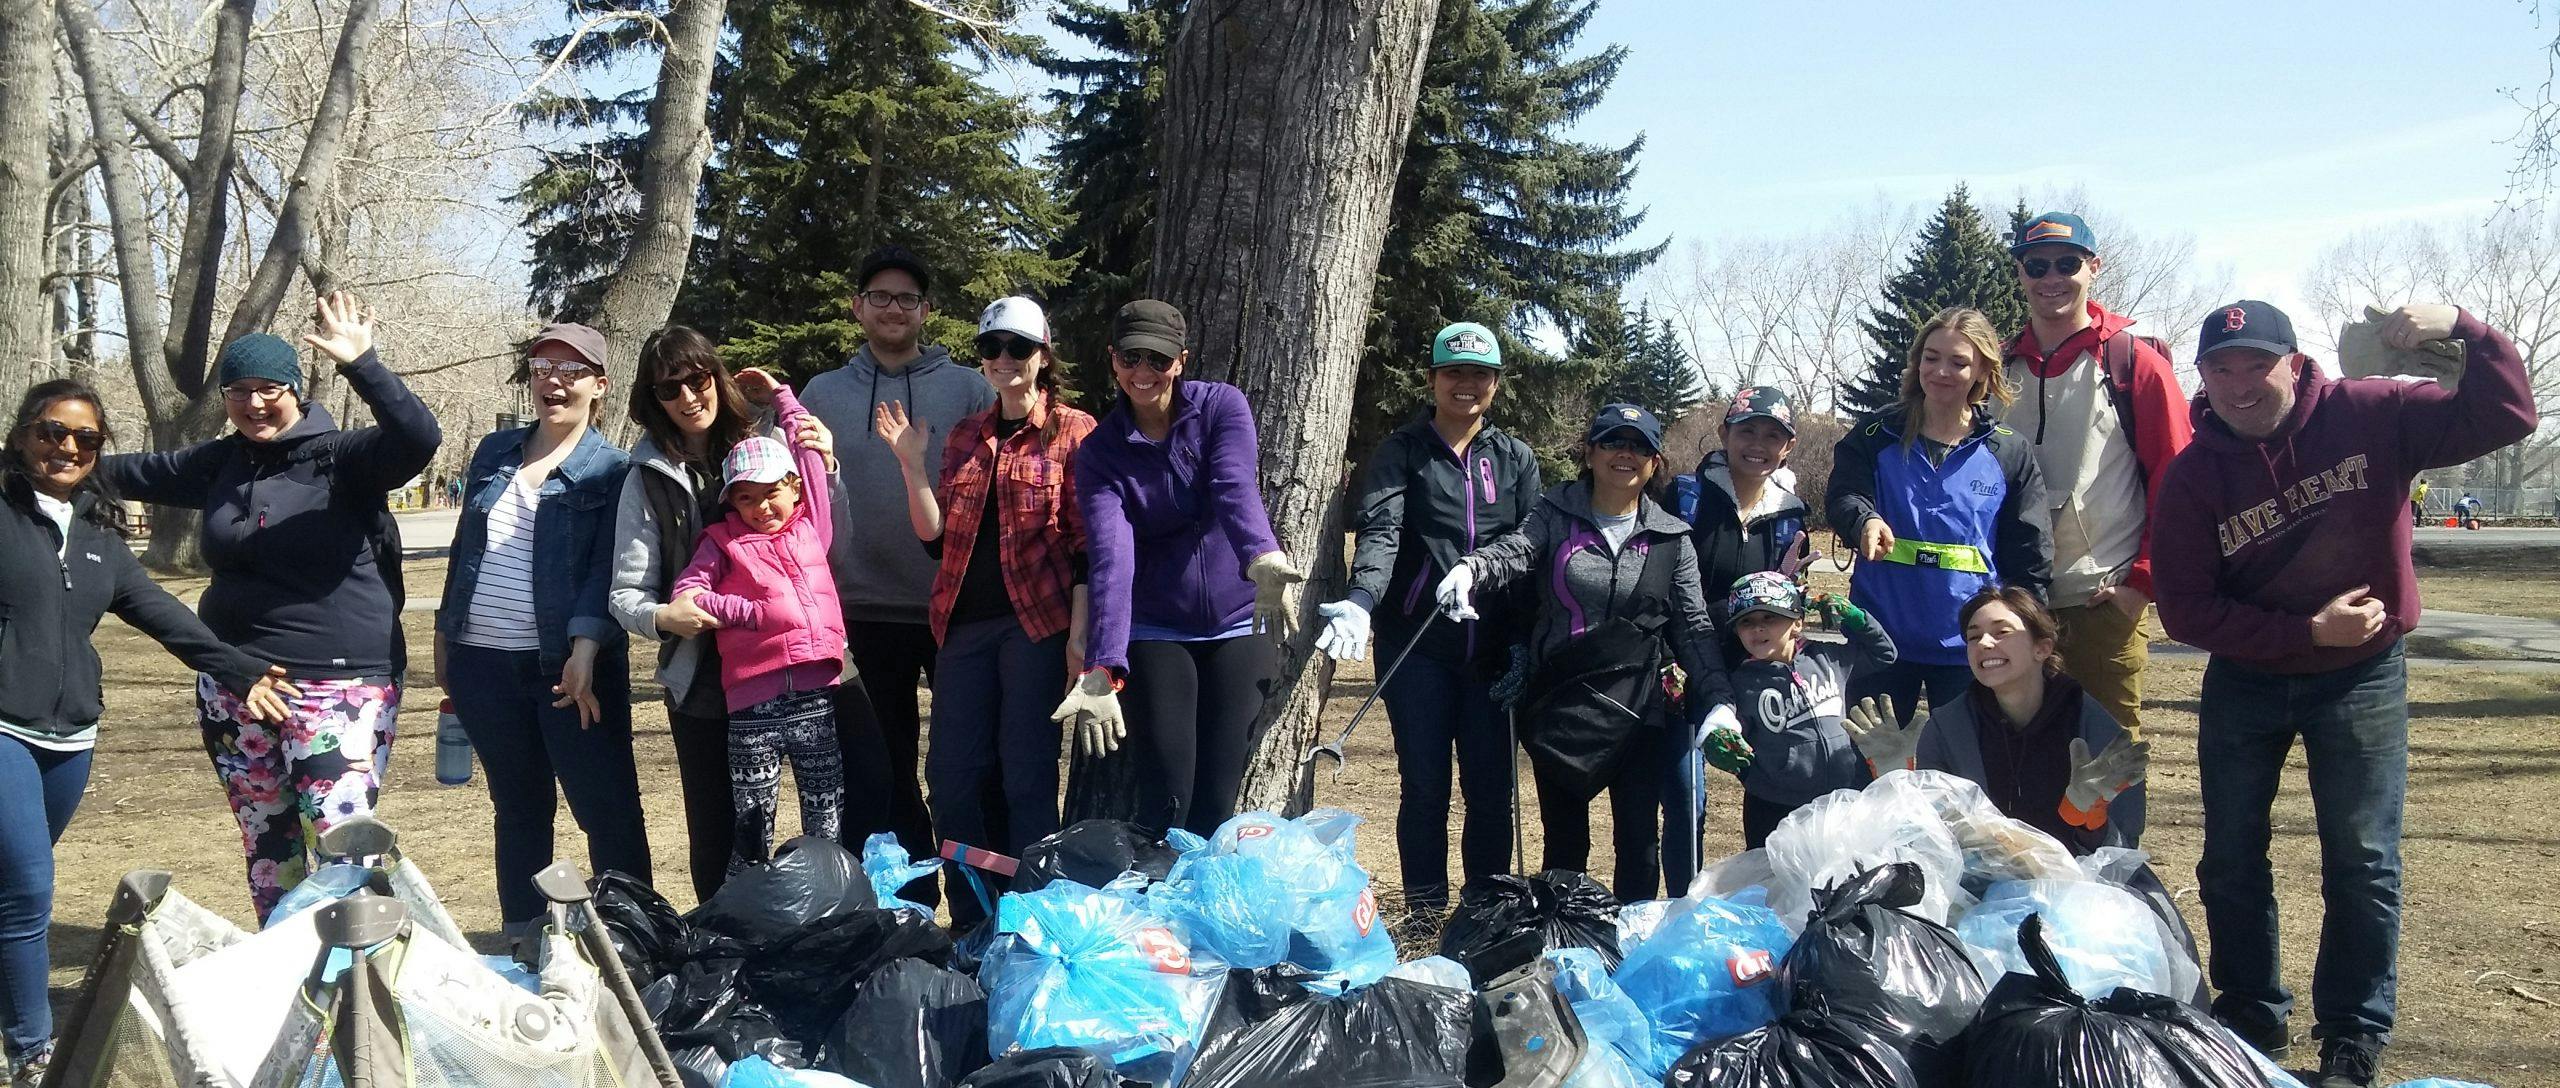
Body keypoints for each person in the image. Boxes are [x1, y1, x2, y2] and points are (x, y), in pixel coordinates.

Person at [2152, 299, 2536, 1086]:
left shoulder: (2373, 412)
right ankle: (2252, 1016)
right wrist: (2304, 635)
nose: (2238, 384)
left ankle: (2352, 1036)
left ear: (2295, 362)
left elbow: (2508, 412)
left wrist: (2461, 326)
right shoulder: (2194, 473)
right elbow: (2186, 608)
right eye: (2220, 369)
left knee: (2362, 861)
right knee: (2229, 857)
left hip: (2361, 676)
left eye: (2256, 363)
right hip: (2249, 679)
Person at [100, 292, 440, 917]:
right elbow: (135, 472)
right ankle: (289, 987)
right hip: (236, 682)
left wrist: (363, 363)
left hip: (339, 685)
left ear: (294, 388)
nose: (254, 403)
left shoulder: (344, 457)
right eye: (238, 390)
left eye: (269, 388)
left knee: (345, 850)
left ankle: (359, 990)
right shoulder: (223, 461)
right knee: (268, 847)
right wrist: (49, 456)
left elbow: (418, 438)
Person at [1, 381, 298, 1087]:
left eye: (86, 439)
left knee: (14, 881)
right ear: (21, 437)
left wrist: (238, 671)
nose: (67, 448)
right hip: (4, 727)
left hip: (69, 738)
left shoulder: (100, 538)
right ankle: (32, 1050)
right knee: (28, 887)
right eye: (51, 432)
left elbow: (161, 613)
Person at [1438, 403, 1736, 902]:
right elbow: (1516, 552)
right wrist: (1472, 569)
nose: (1627, 454)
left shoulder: (1672, 537)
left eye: (1640, 446)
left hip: (1639, 707)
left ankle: (1628, 946)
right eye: (1614, 442)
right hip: (1562, 704)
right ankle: (1566, 939)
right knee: (1565, 842)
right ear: (1590, 451)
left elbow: (1696, 628)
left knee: (1638, 839)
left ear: (1656, 461)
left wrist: (1720, 699)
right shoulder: (1555, 513)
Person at [877, 297, 1096, 926]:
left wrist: (1080, 640)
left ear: (1043, 356)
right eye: (992, 348)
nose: (1003, 360)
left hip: (1037, 628)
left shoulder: (1075, 431)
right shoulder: (967, 435)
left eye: (1017, 349)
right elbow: (936, 540)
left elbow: (1086, 546)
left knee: (1026, 780)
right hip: (960, 627)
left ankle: (1033, 920)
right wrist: (911, 466)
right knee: (950, 780)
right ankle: (973, 918)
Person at [1053, 299, 1305, 837]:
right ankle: (1161, 911)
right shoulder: (1101, 452)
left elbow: (1233, 486)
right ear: (1113, 360)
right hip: (1158, 625)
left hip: (1241, 617)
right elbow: (1111, 556)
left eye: (1157, 359)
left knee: (1218, 796)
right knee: (1168, 792)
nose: (1143, 372)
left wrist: (1260, 555)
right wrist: (1104, 664)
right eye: (1130, 357)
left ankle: (1204, 911)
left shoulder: (1221, 408)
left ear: (1181, 360)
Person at [610, 327, 843, 902]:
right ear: (652, 399)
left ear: (715, 375)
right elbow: (626, 593)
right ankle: (727, 934)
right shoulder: (646, 477)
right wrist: (670, 616)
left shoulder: (768, 445)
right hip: (709, 676)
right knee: (725, 824)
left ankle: (839, 910)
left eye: (698, 379)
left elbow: (826, 530)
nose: (688, 396)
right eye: (670, 388)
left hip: (810, 660)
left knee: (842, 793)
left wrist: (823, 459)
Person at [1317, 321, 1541, 917]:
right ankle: (1423, 911)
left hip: (1491, 648)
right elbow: (1382, 532)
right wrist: (1363, 598)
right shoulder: (1403, 451)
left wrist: (1515, 634)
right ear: (1433, 379)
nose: (1465, 385)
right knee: (1425, 786)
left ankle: (1485, 912)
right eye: (1454, 373)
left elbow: (1529, 542)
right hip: (1417, 646)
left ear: (1495, 383)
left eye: (1479, 374)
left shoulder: (1515, 458)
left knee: (1492, 791)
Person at [435, 323, 646, 949]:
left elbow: (610, 568)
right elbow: (464, 548)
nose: (554, 380)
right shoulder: (494, 452)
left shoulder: (613, 469)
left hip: (568, 669)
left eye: (572, 370)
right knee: (520, 808)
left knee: (605, 809)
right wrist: (449, 635)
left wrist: (584, 649)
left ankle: (634, 939)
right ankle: (524, 940)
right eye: (542, 367)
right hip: (483, 665)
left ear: (599, 386)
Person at [801, 246, 994, 903]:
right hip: (859, 610)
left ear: (926, 312)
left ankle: (976, 905)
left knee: (964, 768)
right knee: (883, 769)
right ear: (858, 308)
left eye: (906, 299)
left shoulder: (969, 388)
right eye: (879, 297)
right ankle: (911, 903)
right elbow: (790, 496)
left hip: (954, 608)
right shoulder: (823, 393)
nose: (892, 308)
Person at [1999, 212, 2194, 739]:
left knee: (2107, 759)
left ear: (2094, 267)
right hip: (2010, 602)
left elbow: (2180, 483)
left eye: (2068, 263)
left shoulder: (2136, 363)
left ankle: (2115, 830)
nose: (2051, 278)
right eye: (2036, 265)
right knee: (2017, 755)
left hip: (2100, 600)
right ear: (2020, 274)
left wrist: (2141, 583)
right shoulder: (1997, 368)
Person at [1826, 306, 2052, 728]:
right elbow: (1843, 495)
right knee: (1874, 773)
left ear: (1983, 369)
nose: (1941, 371)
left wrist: (2026, 629)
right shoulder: (1875, 435)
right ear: (1916, 362)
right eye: (1931, 358)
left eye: (1958, 362)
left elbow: (2031, 551)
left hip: (1972, 647)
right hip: (1881, 639)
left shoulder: (2008, 450)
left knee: (1969, 775)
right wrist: (1865, 520)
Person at [674, 371, 849, 871]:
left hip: (815, 696)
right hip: (752, 706)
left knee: (827, 812)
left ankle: (829, 900)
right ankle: (747, 914)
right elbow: (689, 592)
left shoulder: (813, 526)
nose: (760, 507)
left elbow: (813, 461)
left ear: (794, 489)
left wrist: (783, 398)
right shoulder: (722, 541)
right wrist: (748, 613)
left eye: (771, 492)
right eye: (745, 498)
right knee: (752, 821)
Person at [1885, 586, 2148, 854]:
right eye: (1973, 637)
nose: (1984, 643)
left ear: (2042, 648)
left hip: (2078, 885)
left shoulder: (2088, 722)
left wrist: (2088, 817)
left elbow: (2123, 850)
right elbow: (1928, 841)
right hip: (1978, 886)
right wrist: (1894, 780)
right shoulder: (1947, 728)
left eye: (2002, 632)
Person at [1703, 572, 1896, 849]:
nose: (1758, 628)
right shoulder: (1740, 683)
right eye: (1747, 622)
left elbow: (1885, 654)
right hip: (1775, 805)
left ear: (1798, 622)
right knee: (1775, 881)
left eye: (1770, 617)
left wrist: (1858, 620)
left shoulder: (1828, 657)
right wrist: (1722, 742)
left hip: (1844, 794)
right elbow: (1730, 736)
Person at [1675, 386, 1814, 670]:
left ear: (1788, 446)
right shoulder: (1683, 499)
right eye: (1747, 431)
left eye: (1773, 436)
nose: (1758, 445)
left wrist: (1790, 589)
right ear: (1724, 435)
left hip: (1753, 673)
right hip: (1681, 663)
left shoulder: (1791, 520)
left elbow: (1788, 614)